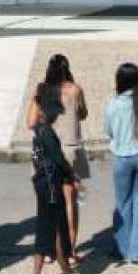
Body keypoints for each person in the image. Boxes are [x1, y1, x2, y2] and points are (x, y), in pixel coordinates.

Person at [28, 55, 89, 252]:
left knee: (50, 202)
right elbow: (83, 113)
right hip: (70, 148)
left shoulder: (42, 91)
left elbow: (30, 123)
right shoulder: (75, 90)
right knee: (70, 202)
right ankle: (69, 249)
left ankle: (50, 250)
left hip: (47, 148)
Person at [104, 61, 138, 265]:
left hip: (122, 157)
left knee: (123, 203)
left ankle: (122, 249)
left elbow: (108, 130)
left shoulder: (113, 104)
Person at [27, 86, 79, 274]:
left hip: (42, 185)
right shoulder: (48, 134)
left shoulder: (38, 132)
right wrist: (72, 176)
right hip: (51, 187)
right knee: (55, 232)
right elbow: (59, 159)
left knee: (45, 230)